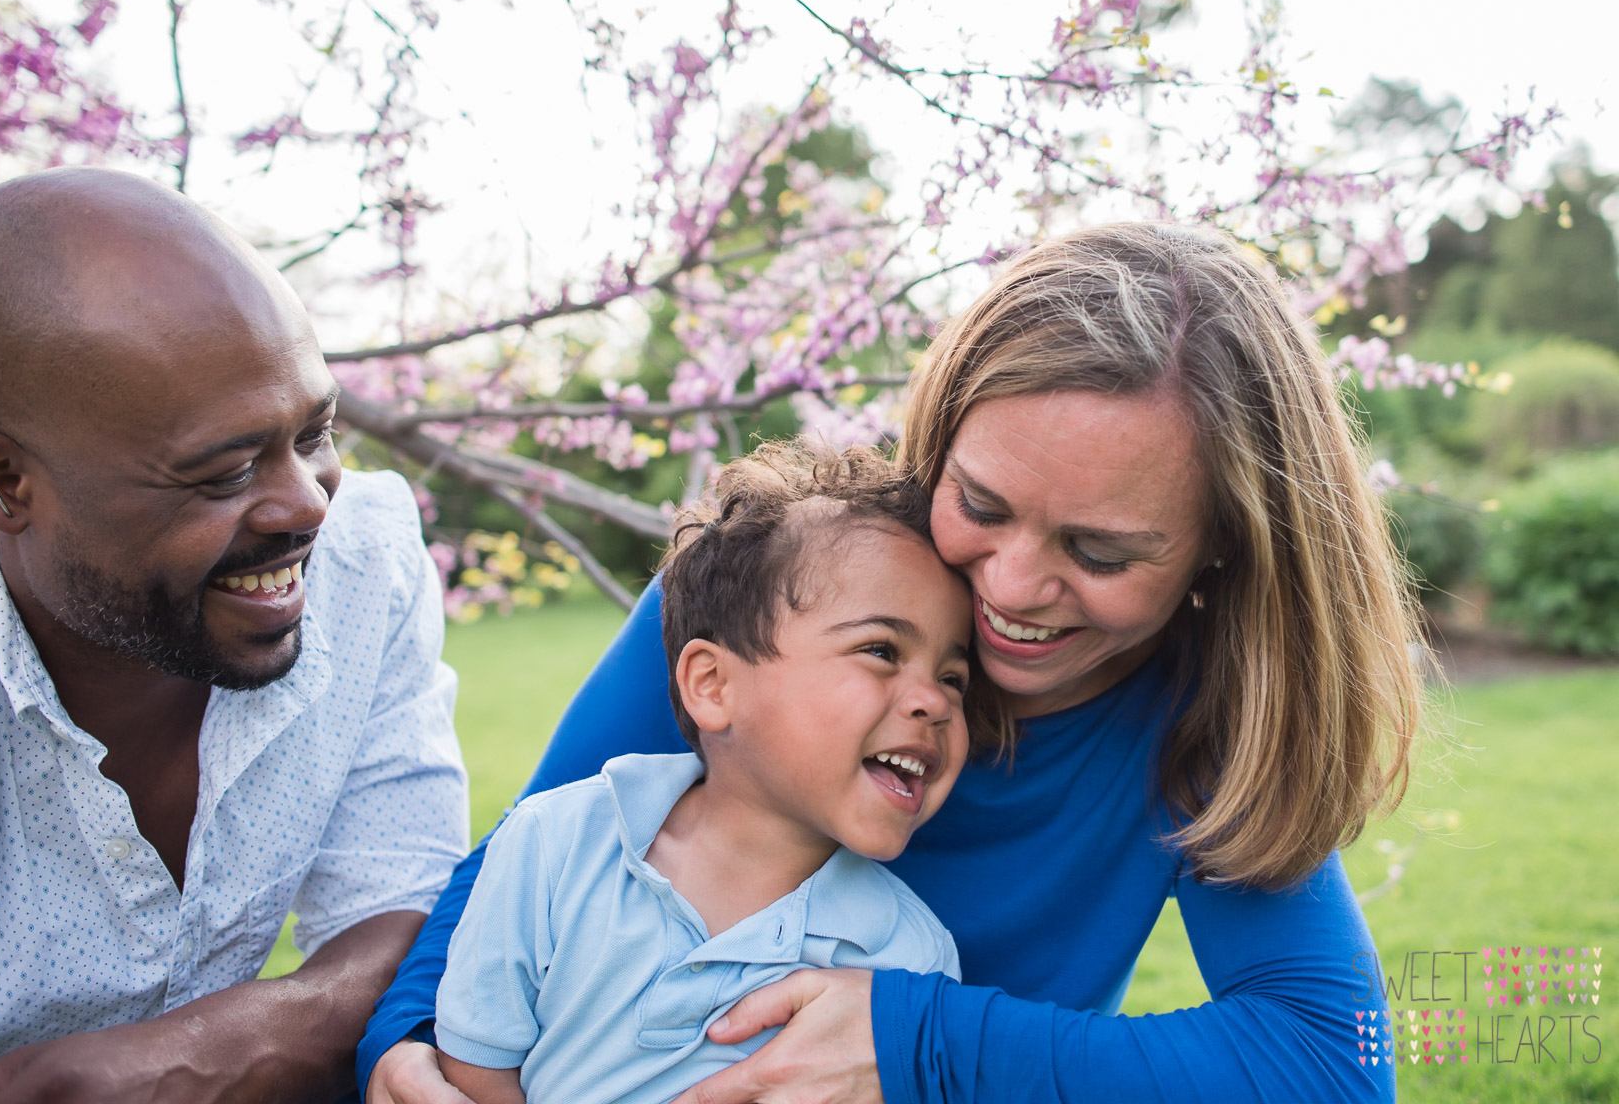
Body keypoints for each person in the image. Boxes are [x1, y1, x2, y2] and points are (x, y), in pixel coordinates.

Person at [360, 222, 1419, 1104]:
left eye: (1098, 552)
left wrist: (923, 1042)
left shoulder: (1201, 715)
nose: (1008, 585)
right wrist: (403, 1042)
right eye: (982, 505)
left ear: (1222, 549)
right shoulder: (775, 594)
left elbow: (1331, 1061)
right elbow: (537, 854)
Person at [0, 168, 468, 1102]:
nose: (307, 504)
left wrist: (135, 1069)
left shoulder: (362, 561)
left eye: (314, 433)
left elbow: (411, 915)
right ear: (2, 484)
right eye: (223, 473)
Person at [436, 441, 984, 1104]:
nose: (935, 700)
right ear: (714, 684)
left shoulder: (909, 962)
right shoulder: (555, 846)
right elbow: (473, 1071)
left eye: (953, 678)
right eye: (881, 649)